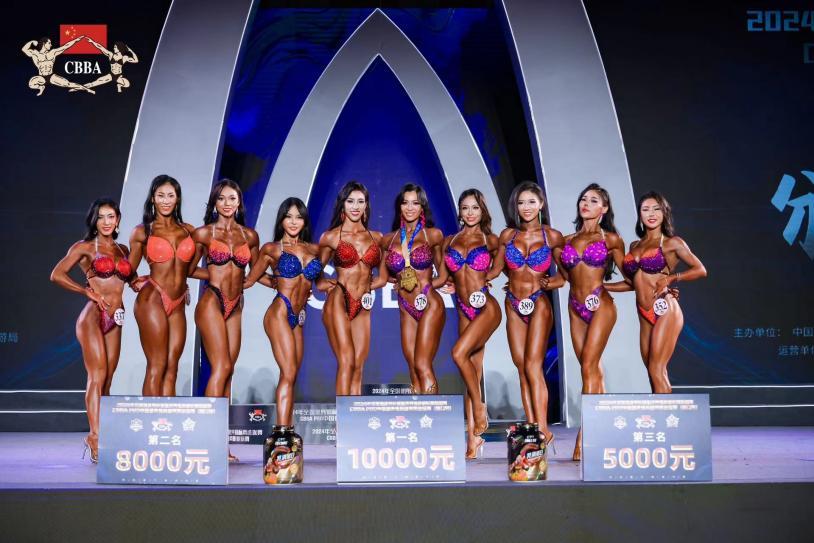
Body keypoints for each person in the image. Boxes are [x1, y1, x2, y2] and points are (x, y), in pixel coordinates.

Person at [51, 198, 133, 462]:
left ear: (118, 220)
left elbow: (131, 280)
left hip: (116, 317)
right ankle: (94, 436)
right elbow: (57, 274)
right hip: (93, 317)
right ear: (94, 221)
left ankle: (104, 432)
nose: (106, 222)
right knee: (97, 375)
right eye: (101, 217)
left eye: (111, 216)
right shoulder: (84, 247)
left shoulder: (122, 249)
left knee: (107, 379)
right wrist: (86, 291)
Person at [549, 183, 625, 461]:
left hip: (601, 306)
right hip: (575, 307)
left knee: (589, 367)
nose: (586, 204)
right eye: (583, 199)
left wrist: (605, 290)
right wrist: (539, 283)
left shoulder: (611, 240)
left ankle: (584, 438)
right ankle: (603, 426)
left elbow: (632, 279)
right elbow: (562, 278)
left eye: (593, 200)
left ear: (604, 208)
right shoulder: (566, 240)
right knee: (589, 369)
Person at [607, 191, 706, 393]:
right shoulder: (635, 245)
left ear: (664, 213)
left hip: (665, 308)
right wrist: (603, 287)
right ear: (640, 215)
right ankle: (661, 411)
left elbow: (700, 270)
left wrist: (671, 278)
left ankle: (667, 414)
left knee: (656, 369)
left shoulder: (672, 242)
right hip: (643, 313)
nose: (651, 214)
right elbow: (633, 283)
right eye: (645, 209)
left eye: (656, 209)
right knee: (652, 372)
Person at [493, 181, 564, 446]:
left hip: (539, 304)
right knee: (522, 367)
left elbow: (563, 277)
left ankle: (544, 429)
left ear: (541, 204)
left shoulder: (551, 236)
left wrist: (549, 283)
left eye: (531, 202)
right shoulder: (507, 236)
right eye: (521, 202)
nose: (526, 207)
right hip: (513, 303)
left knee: (534, 365)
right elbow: (495, 269)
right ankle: (532, 427)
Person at [244, 197, 324, 427]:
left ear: (304, 221)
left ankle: (287, 428)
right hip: (279, 312)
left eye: (298, 217)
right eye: (288, 217)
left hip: (299, 317)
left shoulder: (314, 249)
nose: (293, 221)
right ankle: (281, 432)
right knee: (288, 372)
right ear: (281, 220)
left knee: (292, 374)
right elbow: (250, 279)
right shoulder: (272, 249)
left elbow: (320, 283)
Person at [435, 189, 501, 459]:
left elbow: (499, 268)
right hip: (463, 308)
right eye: (465, 208)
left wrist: (485, 278)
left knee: (457, 353)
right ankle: (473, 441)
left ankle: (479, 407)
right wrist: (412, 283)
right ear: (460, 212)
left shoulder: (491, 240)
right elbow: (442, 278)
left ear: (482, 211)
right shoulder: (449, 241)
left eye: (475, 207)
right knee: (471, 373)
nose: (470, 212)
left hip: (486, 307)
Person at [128, 175, 196, 396]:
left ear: (177, 199)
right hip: (152, 298)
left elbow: (191, 270)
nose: (166, 200)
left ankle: (168, 415)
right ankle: (150, 416)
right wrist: (134, 280)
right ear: (152, 199)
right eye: (160, 195)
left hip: (178, 302)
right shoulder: (143, 231)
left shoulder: (189, 231)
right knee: (157, 364)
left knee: (172, 366)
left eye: (170, 195)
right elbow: (128, 268)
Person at [318, 182, 385, 395]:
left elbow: (383, 278)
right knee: (346, 360)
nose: (355, 206)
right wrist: (322, 283)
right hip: (339, 299)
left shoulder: (377, 238)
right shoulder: (331, 237)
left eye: (360, 201)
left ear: (366, 205)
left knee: (358, 363)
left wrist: (367, 287)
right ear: (343, 204)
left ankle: (353, 411)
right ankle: (342, 414)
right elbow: (315, 269)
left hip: (363, 303)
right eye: (350, 201)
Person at [379, 184, 446, 394]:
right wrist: (399, 282)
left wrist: (426, 287)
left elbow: (443, 276)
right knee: (412, 367)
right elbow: (382, 277)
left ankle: (433, 413)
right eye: (405, 203)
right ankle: (419, 412)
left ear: (422, 206)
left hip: (429, 303)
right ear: (399, 206)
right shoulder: (388, 240)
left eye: (415, 203)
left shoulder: (433, 235)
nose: (410, 208)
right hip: (405, 306)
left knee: (422, 363)